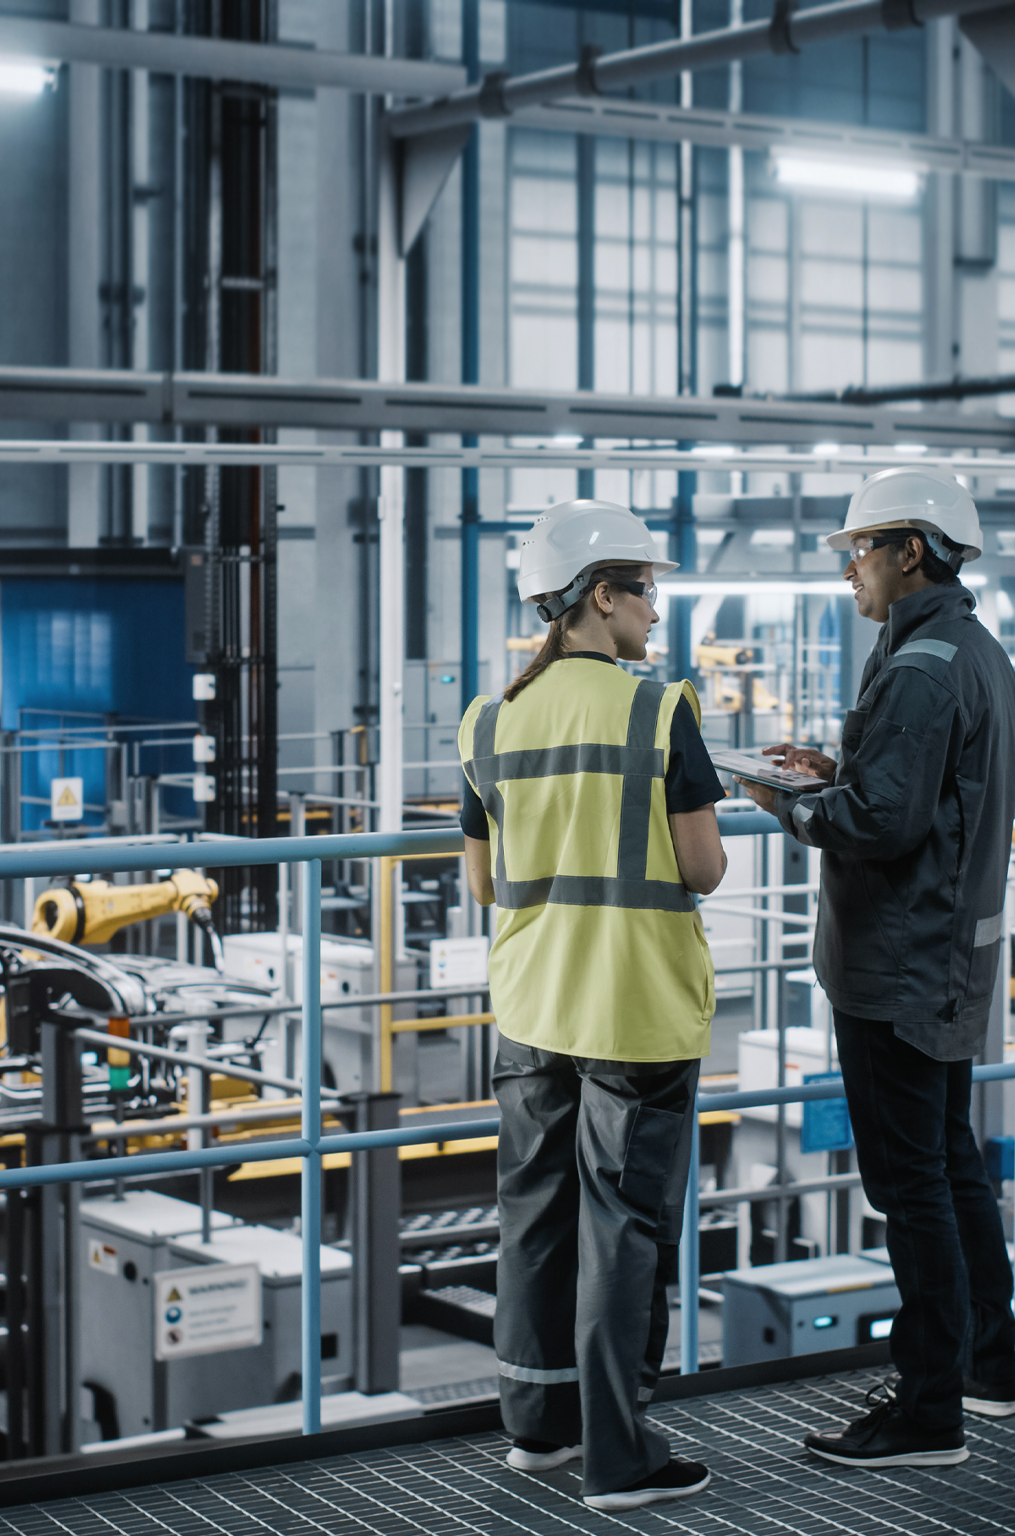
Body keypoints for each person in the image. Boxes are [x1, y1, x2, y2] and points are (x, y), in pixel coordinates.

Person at [734, 465, 1015, 1470]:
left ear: (910, 550)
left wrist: (791, 803)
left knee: (911, 1186)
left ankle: (928, 1410)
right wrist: (839, 767)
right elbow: (922, 792)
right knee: (950, 1165)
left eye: (860, 550)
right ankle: (987, 1368)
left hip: (895, 967)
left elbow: (881, 824)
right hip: (947, 956)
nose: (850, 570)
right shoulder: (971, 652)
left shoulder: (916, 668)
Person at [458, 498, 727, 1512]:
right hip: (634, 1009)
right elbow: (701, 869)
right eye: (644, 591)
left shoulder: (490, 719)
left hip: (531, 1009)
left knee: (534, 1217)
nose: (654, 612)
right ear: (600, 596)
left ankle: (537, 1429)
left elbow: (484, 886)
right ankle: (620, 1458)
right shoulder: (660, 711)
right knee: (624, 1230)